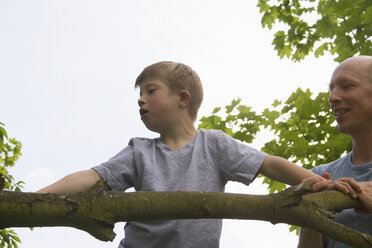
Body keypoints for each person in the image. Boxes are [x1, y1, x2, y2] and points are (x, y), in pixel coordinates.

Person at [38, 61, 332, 248]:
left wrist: (321, 183)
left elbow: (270, 165)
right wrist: (33, 197)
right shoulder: (139, 151)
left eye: (150, 90)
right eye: (139, 94)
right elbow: (91, 177)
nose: (141, 99)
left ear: (182, 98)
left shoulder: (214, 145)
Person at [298, 55, 372, 248]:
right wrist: (311, 214)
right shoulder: (320, 176)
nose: (332, 98)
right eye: (331, 89)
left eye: (347, 86)